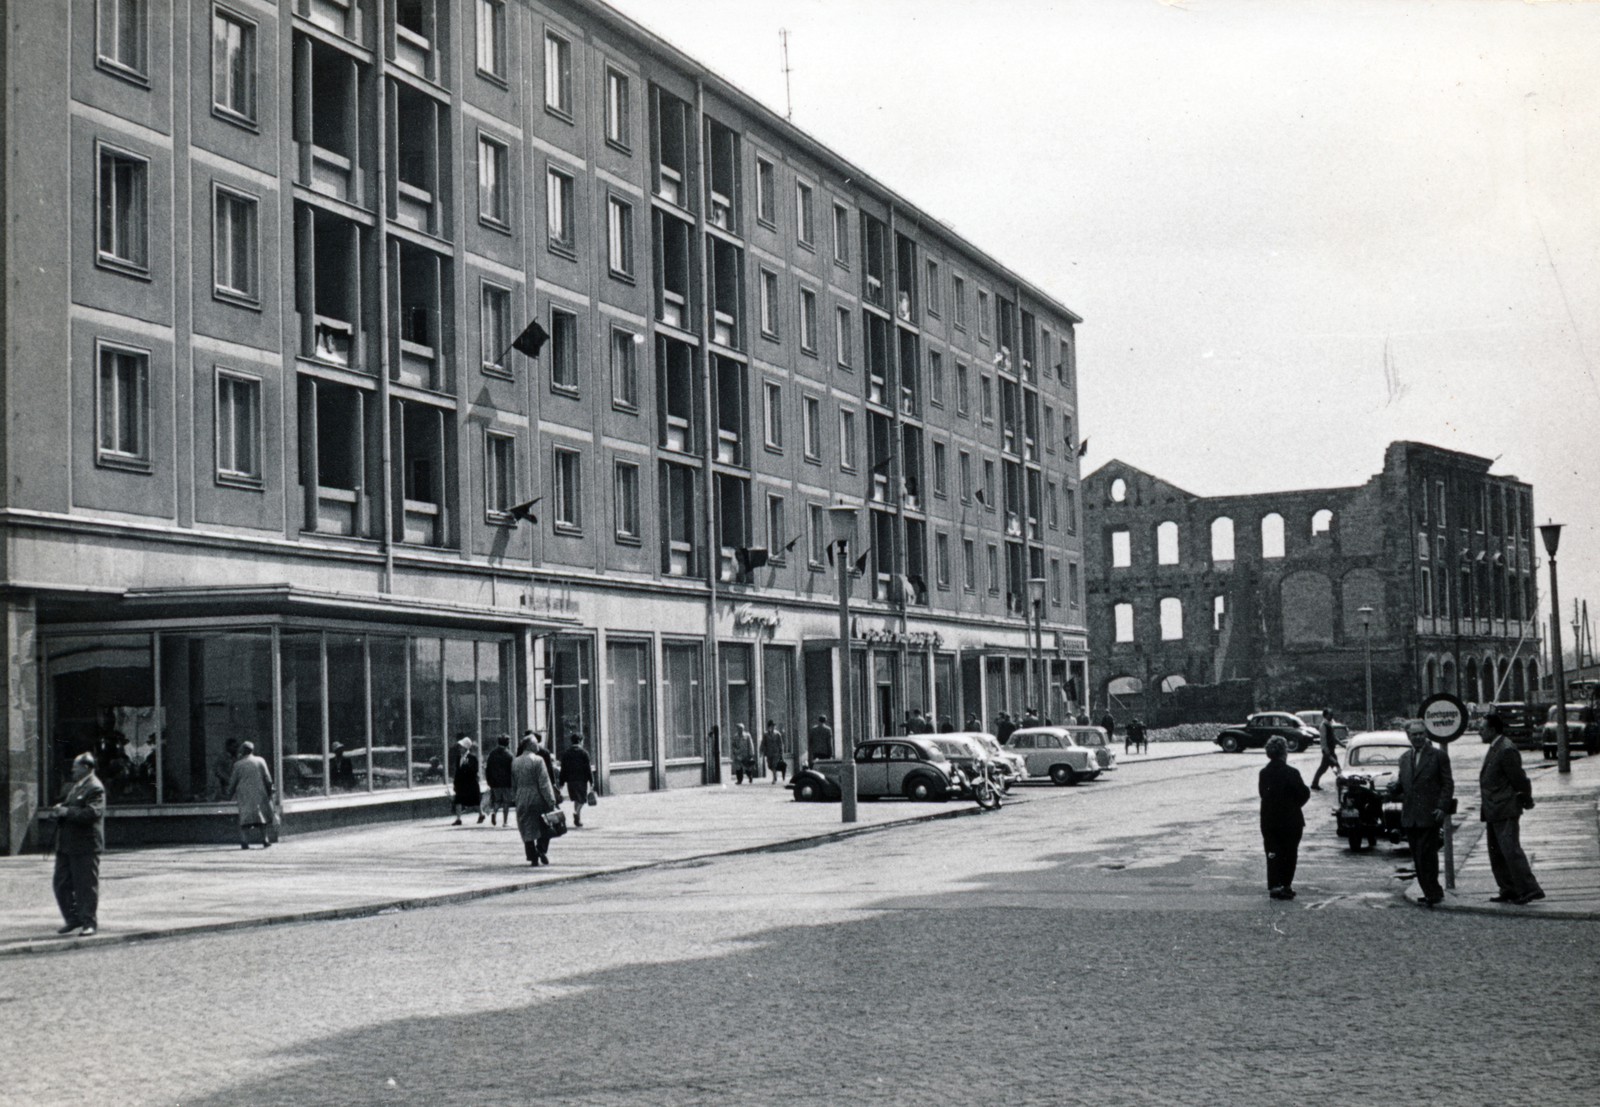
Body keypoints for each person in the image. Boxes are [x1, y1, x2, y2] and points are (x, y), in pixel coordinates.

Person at [1479, 712, 1544, 904]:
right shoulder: (1495, 747)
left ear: (1492, 730)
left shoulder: (1506, 749)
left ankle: (1530, 889)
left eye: (1482, 729)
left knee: (1510, 850)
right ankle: (1508, 888)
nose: (1479, 733)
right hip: (1493, 809)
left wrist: (1526, 798)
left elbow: (1519, 778)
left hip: (1505, 808)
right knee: (1496, 851)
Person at [1388, 720, 1454, 906]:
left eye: (1420, 734)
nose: (1417, 737)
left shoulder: (1438, 756)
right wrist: (1395, 787)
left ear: (1426, 735)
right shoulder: (1404, 758)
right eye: (1414, 734)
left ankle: (1432, 892)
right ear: (1408, 737)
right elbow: (1404, 782)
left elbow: (1447, 784)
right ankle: (1430, 891)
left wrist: (1442, 807)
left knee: (1427, 855)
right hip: (1410, 815)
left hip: (1430, 813)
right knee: (1417, 856)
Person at [51, 752, 105, 936]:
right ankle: (73, 919)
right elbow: (70, 806)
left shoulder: (95, 788)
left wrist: (67, 811)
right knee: (60, 884)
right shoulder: (77, 786)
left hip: (85, 846)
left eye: (76, 766)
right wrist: (60, 809)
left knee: (85, 886)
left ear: (86, 767)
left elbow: (92, 813)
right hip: (67, 845)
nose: (73, 769)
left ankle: (89, 922)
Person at [1258, 736, 1310, 900]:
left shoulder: (1264, 773)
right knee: (1289, 853)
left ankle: (1275, 886)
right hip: (1291, 819)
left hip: (1269, 819)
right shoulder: (1292, 772)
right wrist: (1295, 806)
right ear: (1284, 753)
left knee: (1272, 852)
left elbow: (1262, 794)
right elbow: (1304, 793)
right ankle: (1286, 885)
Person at [512, 737, 559, 866]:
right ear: (531, 745)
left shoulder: (515, 762)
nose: (538, 745)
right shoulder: (538, 760)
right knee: (544, 824)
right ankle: (541, 849)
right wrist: (551, 800)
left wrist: (516, 797)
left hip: (521, 796)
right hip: (536, 796)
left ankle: (532, 856)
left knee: (526, 826)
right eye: (536, 743)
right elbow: (544, 783)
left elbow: (513, 783)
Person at [226, 741, 275, 850]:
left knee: (244, 817)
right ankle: (265, 839)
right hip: (259, 792)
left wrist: (228, 794)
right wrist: (270, 790)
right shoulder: (260, 761)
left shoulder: (238, 764)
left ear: (243, 751)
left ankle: (244, 841)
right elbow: (267, 778)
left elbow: (233, 781)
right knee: (261, 816)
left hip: (244, 794)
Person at [558, 733, 594, 827]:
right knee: (582, 799)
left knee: (576, 799)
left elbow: (563, 768)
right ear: (580, 741)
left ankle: (578, 820)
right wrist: (591, 780)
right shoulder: (584, 753)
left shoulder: (566, 753)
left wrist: (561, 781)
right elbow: (588, 768)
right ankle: (576, 813)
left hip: (571, 780)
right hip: (582, 780)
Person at [452, 737, 484, 826]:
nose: (459, 749)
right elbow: (457, 771)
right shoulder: (458, 758)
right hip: (461, 783)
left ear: (466, 748)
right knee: (458, 800)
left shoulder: (472, 758)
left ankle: (481, 814)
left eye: (461, 747)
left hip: (470, 783)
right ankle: (458, 818)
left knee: (474, 801)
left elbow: (475, 770)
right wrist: (455, 783)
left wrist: (467, 766)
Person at [485, 735, 515, 827]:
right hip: (506, 782)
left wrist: (489, 781)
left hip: (495, 782)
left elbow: (488, 769)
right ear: (507, 743)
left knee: (497, 800)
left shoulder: (492, 753)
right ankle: (505, 822)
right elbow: (512, 770)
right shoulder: (509, 755)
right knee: (506, 801)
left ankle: (494, 812)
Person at [1310, 708, 1343, 790]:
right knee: (1336, 766)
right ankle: (1342, 782)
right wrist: (1325, 750)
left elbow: (1333, 737)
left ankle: (1315, 783)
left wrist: (1341, 744)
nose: (1331, 715)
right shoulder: (1323, 725)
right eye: (1329, 714)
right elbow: (1323, 739)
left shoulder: (1328, 724)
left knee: (1324, 768)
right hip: (1328, 751)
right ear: (1325, 715)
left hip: (1330, 750)